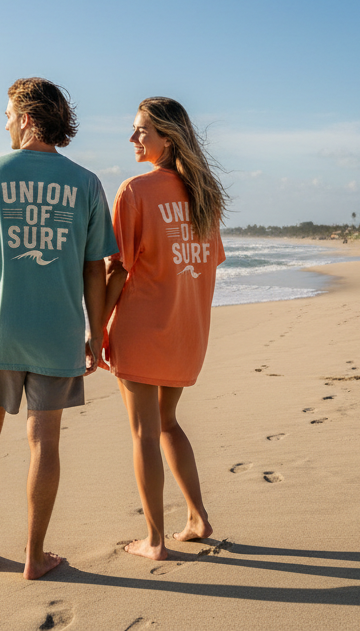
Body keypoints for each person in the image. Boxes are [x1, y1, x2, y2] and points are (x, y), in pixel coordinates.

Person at [0, 77, 118, 580]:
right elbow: (96, 268)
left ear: (26, 117)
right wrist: (96, 332)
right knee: (44, 440)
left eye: (7, 113)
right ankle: (34, 554)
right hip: (59, 331)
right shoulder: (86, 182)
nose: (3, 121)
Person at [100, 96, 227, 561]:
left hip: (142, 328)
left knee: (143, 432)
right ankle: (196, 517)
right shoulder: (206, 196)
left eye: (141, 131)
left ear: (166, 139)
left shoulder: (135, 190)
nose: (133, 138)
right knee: (167, 423)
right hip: (185, 332)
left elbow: (117, 270)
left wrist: (95, 329)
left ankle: (154, 539)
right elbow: (206, 268)